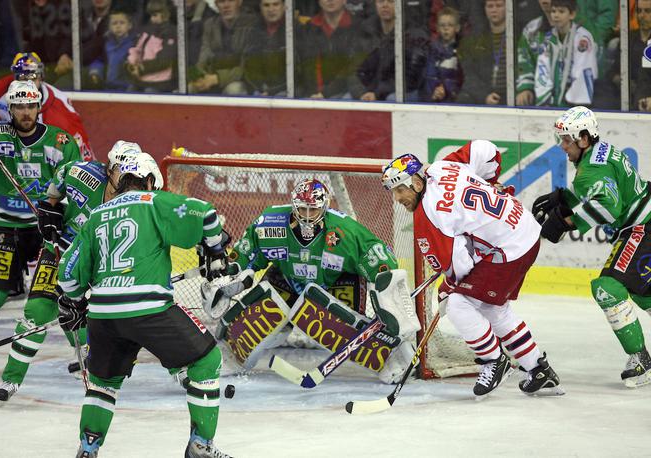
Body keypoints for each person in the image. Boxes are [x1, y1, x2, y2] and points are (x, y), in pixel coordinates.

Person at [57, 154, 231, 458]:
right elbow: (205, 214)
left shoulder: (96, 214)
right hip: (149, 309)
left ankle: (88, 449)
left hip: (104, 315)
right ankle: (201, 446)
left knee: (102, 384)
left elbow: (68, 274)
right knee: (207, 360)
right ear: (149, 180)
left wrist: (73, 302)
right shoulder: (153, 201)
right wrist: (215, 252)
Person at [381, 142, 564, 398]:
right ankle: (538, 368)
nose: (398, 199)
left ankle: (494, 361)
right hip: (523, 228)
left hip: (509, 249)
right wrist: (489, 182)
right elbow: (485, 149)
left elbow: (459, 265)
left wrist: (449, 287)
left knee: (459, 305)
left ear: (417, 183)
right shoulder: (443, 167)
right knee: (492, 307)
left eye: (400, 189)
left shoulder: (429, 216)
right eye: (394, 191)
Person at [203, 178, 421, 384]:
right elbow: (246, 254)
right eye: (302, 209)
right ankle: (230, 351)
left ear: (324, 207)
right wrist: (227, 277)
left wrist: (388, 297)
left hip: (335, 282)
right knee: (268, 306)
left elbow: (382, 261)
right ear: (293, 206)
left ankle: (392, 353)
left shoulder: (344, 231)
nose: (307, 216)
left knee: (325, 320)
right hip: (287, 280)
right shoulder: (270, 224)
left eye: (313, 209)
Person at [0, 141, 150, 404]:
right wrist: (51, 205)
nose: (127, 180)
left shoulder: (142, 195)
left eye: (132, 175)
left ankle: (177, 367)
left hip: (103, 263)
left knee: (104, 318)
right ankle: (11, 378)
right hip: (61, 249)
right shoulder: (81, 174)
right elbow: (61, 174)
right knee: (39, 311)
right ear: (108, 168)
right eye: (121, 172)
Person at [0, 80, 82, 378]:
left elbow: (75, 184)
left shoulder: (60, 142)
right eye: (19, 106)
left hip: (46, 229)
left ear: (39, 107)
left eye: (30, 105)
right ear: (10, 109)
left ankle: (87, 352)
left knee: (60, 293)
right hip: (6, 225)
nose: (25, 112)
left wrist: (58, 212)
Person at [532, 106, 651, 388]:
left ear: (584, 138)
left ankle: (642, 361)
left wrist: (564, 222)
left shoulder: (590, 169)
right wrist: (565, 197)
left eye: (567, 140)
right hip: (645, 220)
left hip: (643, 226)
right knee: (642, 292)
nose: (563, 146)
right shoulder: (602, 152)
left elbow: (609, 208)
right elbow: (606, 191)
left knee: (607, 288)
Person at [0, 52, 94, 160]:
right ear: (14, 77)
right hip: (11, 155)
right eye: (23, 77)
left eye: (33, 77)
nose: (28, 83)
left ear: (41, 76)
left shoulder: (60, 110)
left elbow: (82, 154)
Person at [356, 0, 429, 102]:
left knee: (392, 99)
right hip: (370, 92)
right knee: (343, 100)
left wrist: (377, 94)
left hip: (403, 92)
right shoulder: (366, 30)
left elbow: (411, 78)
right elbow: (353, 69)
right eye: (381, 1)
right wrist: (361, 92)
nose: (385, 5)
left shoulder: (414, 34)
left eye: (391, 1)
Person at [532, 0, 598, 107]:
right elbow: (542, 70)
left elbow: (584, 70)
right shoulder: (548, 39)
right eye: (553, 11)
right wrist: (546, 98)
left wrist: (571, 100)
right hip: (553, 101)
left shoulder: (583, 38)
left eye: (561, 12)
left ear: (572, 14)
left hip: (576, 103)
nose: (556, 15)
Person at [296, 0, 367, 99]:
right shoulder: (308, 29)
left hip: (345, 92)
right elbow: (304, 67)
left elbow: (351, 69)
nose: (330, 0)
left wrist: (325, 93)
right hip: (312, 94)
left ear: (344, 1)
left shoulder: (358, 27)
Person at [190, 0, 255, 95]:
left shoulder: (252, 24)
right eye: (221, 1)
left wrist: (218, 78)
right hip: (212, 77)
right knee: (190, 88)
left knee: (234, 89)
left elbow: (247, 68)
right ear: (216, 4)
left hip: (243, 80)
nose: (226, 6)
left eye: (231, 1)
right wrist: (199, 77)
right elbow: (204, 56)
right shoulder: (210, 24)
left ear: (239, 2)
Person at [456, 0, 507, 105]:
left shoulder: (517, 36)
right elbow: (468, 73)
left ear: (507, 8)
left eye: (499, 6)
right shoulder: (475, 39)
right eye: (490, 6)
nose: (494, 10)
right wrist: (484, 96)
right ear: (485, 9)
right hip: (484, 96)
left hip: (510, 96)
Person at [126, 0, 178, 93]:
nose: (151, 18)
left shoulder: (171, 33)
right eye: (151, 15)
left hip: (161, 82)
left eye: (154, 15)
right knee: (130, 90)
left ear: (165, 14)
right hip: (141, 79)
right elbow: (137, 49)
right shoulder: (147, 30)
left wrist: (141, 68)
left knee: (149, 92)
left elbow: (165, 60)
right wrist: (132, 64)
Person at [244, 0, 288, 96]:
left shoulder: (294, 30)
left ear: (284, 6)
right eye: (266, 5)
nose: (271, 9)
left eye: (275, 4)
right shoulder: (253, 30)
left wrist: (271, 92)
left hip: (285, 91)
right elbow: (247, 66)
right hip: (259, 90)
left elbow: (298, 73)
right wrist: (257, 90)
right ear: (260, 7)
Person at [515, 0, 553, 106]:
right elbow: (524, 61)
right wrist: (526, 87)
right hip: (541, 98)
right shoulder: (531, 30)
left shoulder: (578, 29)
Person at [88, 10, 137, 91]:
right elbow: (99, 60)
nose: (118, 26)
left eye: (122, 23)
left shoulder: (135, 43)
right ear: (109, 27)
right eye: (114, 23)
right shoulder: (106, 43)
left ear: (130, 25)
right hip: (108, 86)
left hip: (128, 87)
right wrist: (95, 72)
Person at [422, 6, 462, 102]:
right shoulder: (431, 50)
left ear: (457, 28)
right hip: (431, 96)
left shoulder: (462, 51)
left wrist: (447, 91)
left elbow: (460, 81)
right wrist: (433, 92)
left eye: (450, 25)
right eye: (442, 25)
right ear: (437, 28)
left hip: (452, 99)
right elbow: (429, 75)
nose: (446, 28)